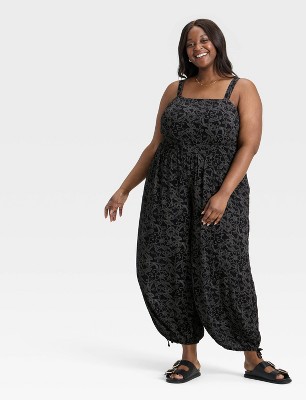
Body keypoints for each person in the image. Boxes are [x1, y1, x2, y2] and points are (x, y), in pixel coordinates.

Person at [104, 18, 292, 385]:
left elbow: (249, 145)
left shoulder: (241, 88)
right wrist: (124, 188)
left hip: (220, 191)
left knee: (228, 268)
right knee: (171, 266)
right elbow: (156, 145)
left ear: (217, 43)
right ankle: (188, 356)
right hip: (167, 190)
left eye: (204, 40)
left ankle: (252, 357)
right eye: (190, 43)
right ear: (184, 51)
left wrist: (223, 194)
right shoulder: (174, 90)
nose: (197, 48)